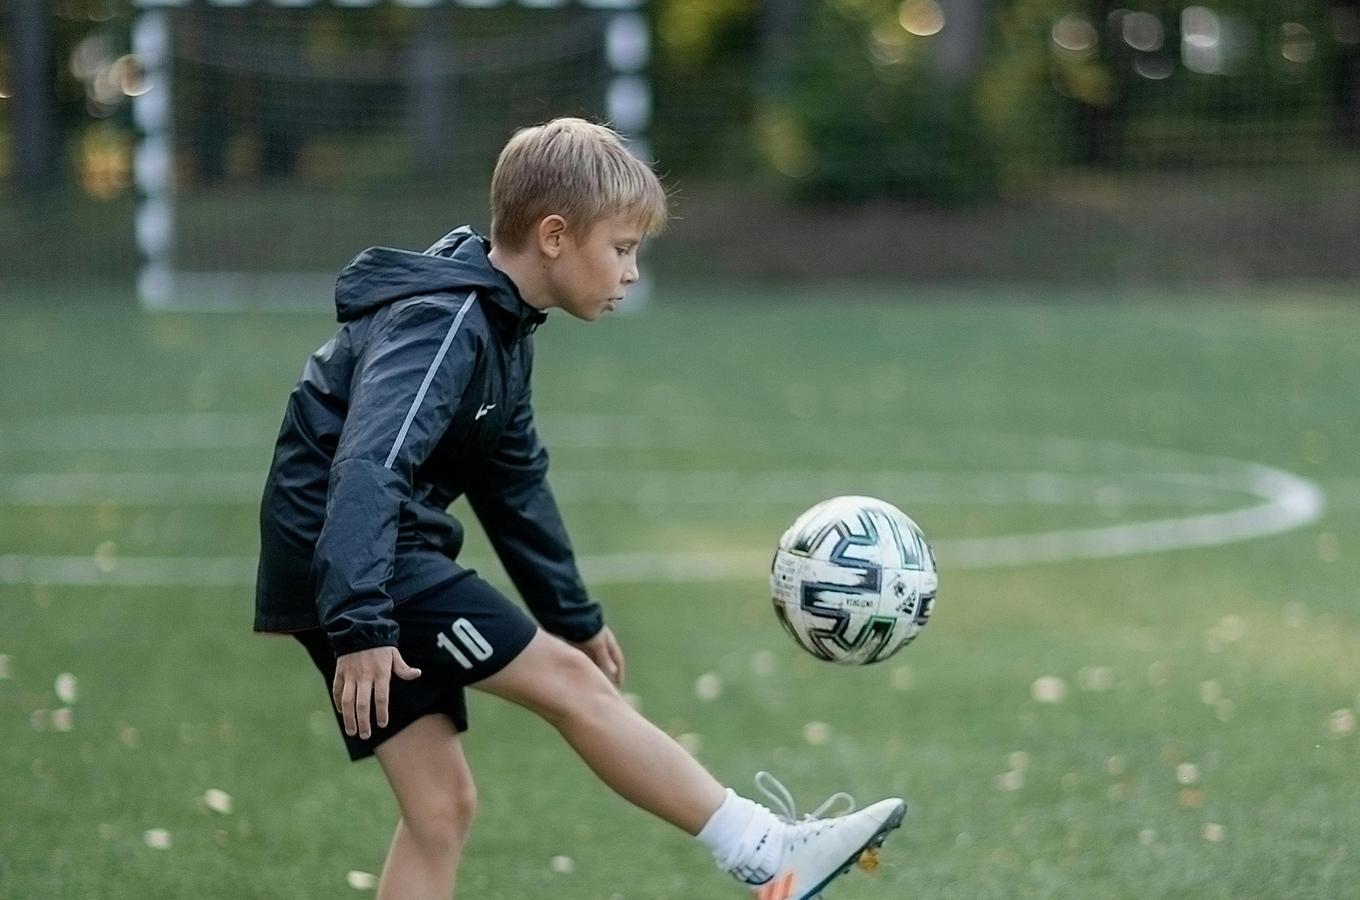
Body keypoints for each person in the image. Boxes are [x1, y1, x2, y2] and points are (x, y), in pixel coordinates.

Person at [253, 117, 906, 900]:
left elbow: (513, 479)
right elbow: (370, 463)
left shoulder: (502, 323)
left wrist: (572, 612)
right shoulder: (446, 322)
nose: (631, 272)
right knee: (571, 686)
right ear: (555, 236)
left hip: (356, 555)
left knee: (440, 808)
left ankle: (765, 849)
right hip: (359, 556)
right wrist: (360, 618)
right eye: (623, 248)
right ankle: (765, 850)